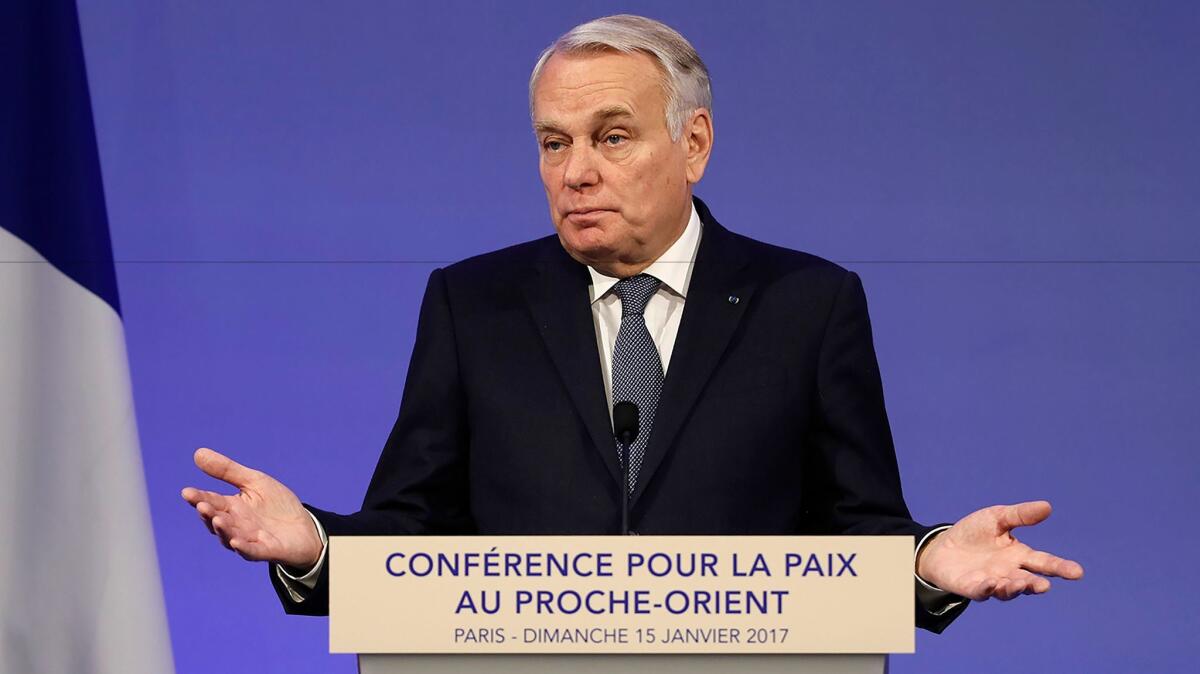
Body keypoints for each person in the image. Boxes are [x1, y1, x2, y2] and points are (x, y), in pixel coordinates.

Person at [181, 14, 1083, 634]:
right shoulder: (475, 304)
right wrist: (316, 547)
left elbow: (858, 532)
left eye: (612, 136)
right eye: (552, 141)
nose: (575, 171)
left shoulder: (807, 304)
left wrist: (927, 565)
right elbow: (411, 536)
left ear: (693, 144)